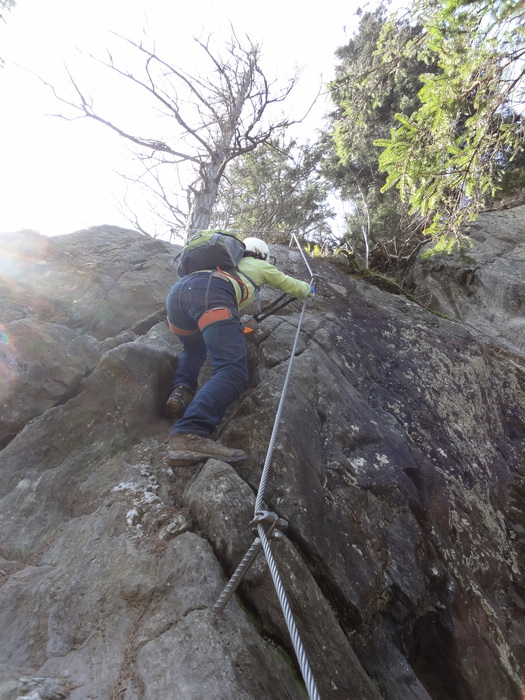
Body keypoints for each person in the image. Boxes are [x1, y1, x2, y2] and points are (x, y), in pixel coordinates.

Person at [165, 235, 312, 467]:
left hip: (177, 296)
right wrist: (308, 288)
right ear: (261, 253)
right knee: (232, 370)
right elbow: (292, 286)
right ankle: (190, 432)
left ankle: (181, 391)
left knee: (194, 350)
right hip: (211, 292)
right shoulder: (258, 264)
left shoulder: (227, 264)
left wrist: (238, 327)